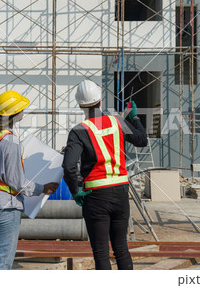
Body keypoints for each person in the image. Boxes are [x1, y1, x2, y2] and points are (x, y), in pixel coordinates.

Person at [62, 80, 148, 270]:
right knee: (121, 249)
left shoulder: (78, 131)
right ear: (100, 101)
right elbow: (142, 140)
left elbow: (68, 166)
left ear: (79, 106)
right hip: (120, 192)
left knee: (101, 253)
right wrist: (134, 118)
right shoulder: (117, 121)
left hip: (95, 196)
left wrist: (75, 190)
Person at [0, 90, 58, 270]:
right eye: (22, 108)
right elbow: (17, 182)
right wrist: (43, 188)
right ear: (15, 113)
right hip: (6, 207)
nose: (24, 111)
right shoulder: (10, 141)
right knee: (2, 262)